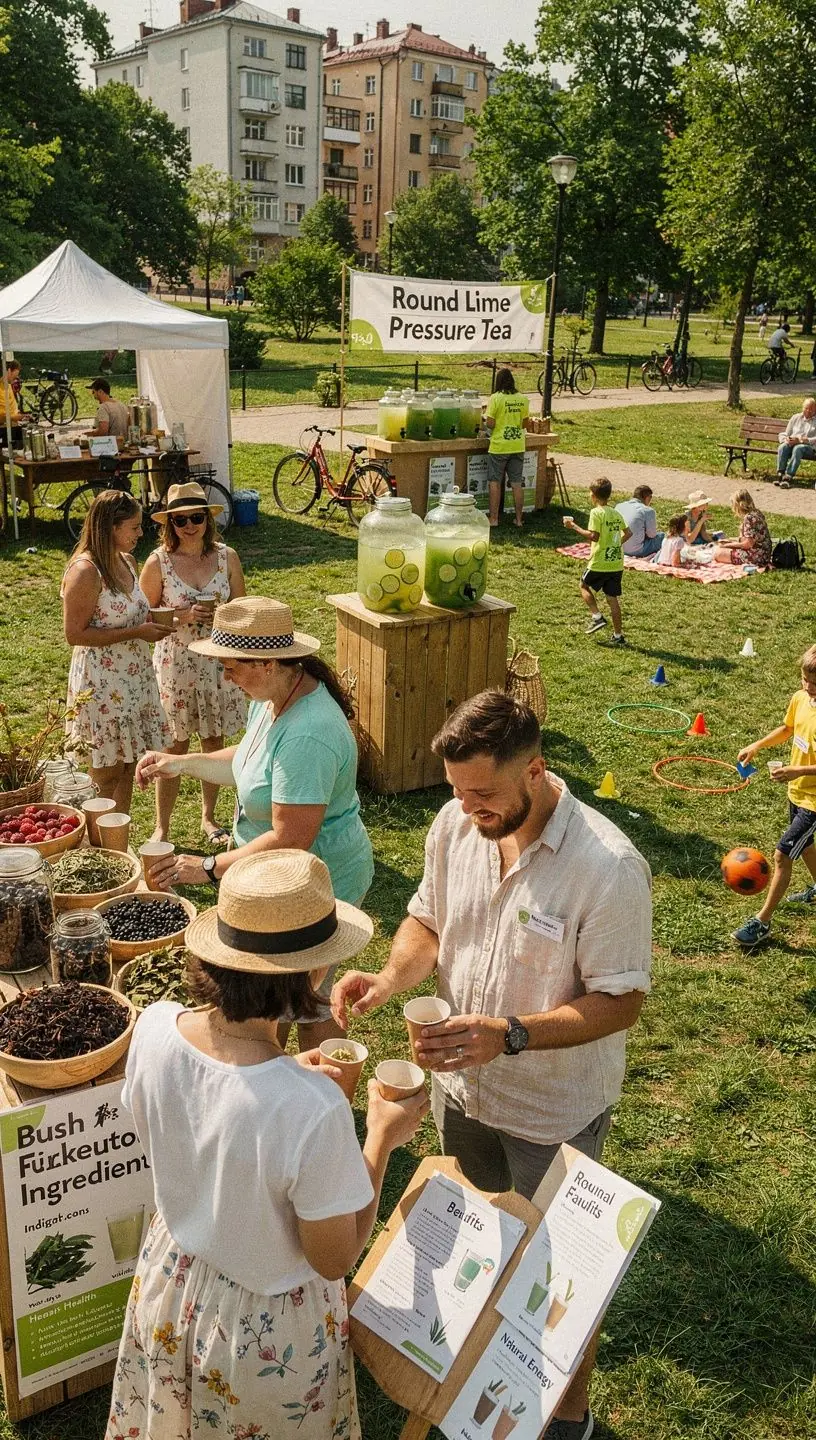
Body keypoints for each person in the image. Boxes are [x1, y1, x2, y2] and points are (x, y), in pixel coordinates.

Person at [331, 691, 652, 1440]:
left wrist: (509, 1035)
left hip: (550, 1109)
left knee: (556, 1279)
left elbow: (620, 1002)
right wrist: (390, 979)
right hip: (460, 1092)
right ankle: (477, 1379)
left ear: (535, 771)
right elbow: (427, 920)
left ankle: (567, 1417)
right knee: (477, 1241)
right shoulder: (455, 825)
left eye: (483, 793)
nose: (467, 808)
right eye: (456, 790)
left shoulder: (608, 868)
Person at [107, 848, 428, 1440]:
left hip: (170, 1285)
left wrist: (284, 1077)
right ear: (312, 974)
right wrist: (381, 1139)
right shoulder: (313, 1109)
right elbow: (334, 1259)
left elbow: (209, 1114)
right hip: (264, 1335)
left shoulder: (153, 1027)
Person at [135, 596, 374, 1045]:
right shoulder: (271, 698)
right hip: (275, 880)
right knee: (279, 1000)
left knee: (303, 1002)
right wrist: (179, 763)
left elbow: (290, 837)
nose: (225, 677)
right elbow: (250, 763)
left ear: (267, 663)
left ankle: (320, 1080)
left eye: (231, 667)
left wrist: (207, 867)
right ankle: (285, 1077)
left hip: (314, 885)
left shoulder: (309, 733)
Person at [139, 482, 247, 846]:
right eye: (180, 520)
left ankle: (208, 817)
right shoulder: (158, 562)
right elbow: (145, 620)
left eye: (196, 518)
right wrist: (181, 616)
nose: (189, 526)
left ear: (207, 519)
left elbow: (243, 609)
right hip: (176, 663)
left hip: (217, 661)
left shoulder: (227, 557)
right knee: (174, 746)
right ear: (170, 523)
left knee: (213, 742)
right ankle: (162, 826)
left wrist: (222, 614)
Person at [61, 490, 171, 811]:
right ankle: (96, 837)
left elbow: (128, 612)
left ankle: (117, 835)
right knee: (106, 774)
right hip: (102, 684)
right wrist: (136, 632)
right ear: (111, 526)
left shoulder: (127, 561)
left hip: (133, 680)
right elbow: (74, 634)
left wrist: (156, 623)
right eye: (134, 527)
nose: (141, 533)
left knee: (127, 767)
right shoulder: (85, 571)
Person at [732, 647, 816, 946]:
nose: (808, 687)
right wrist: (757, 745)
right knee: (805, 846)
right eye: (805, 679)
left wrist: (797, 770)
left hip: (814, 802)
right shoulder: (800, 699)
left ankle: (762, 921)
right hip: (797, 791)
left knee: (783, 854)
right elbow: (788, 728)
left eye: (815, 683)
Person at [563, 477, 631, 646]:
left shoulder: (596, 513)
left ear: (593, 495)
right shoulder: (615, 513)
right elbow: (628, 533)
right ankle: (618, 636)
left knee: (583, 585)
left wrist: (573, 526)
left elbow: (594, 536)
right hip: (615, 562)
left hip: (600, 561)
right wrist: (616, 544)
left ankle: (597, 616)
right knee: (612, 598)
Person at [484, 368, 530, 528]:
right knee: (517, 483)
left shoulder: (495, 398)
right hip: (517, 445)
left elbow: (490, 423)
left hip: (499, 446)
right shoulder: (522, 398)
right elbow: (525, 424)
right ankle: (519, 520)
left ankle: (494, 519)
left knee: (495, 482)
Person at [711, 489, 772, 566]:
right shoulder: (757, 512)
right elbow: (748, 539)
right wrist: (732, 541)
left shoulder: (749, 518)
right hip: (765, 553)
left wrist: (727, 545)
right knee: (723, 549)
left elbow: (748, 544)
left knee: (718, 554)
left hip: (757, 557)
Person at [775, 398, 816, 485]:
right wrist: (787, 439)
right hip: (792, 444)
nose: (808, 411)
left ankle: (788, 476)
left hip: (810, 448)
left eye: (811, 409)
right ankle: (780, 474)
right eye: (806, 408)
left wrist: (801, 440)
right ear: (803, 408)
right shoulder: (795, 417)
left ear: (815, 409)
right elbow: (787, 433)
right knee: (783, 446)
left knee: (798, 448)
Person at [616, 484, 663, 558]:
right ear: (648, 497)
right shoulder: (648, 510)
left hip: (618, 546)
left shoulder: (619, 506)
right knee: (662, 536)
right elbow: (652, 535)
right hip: (637, 550)